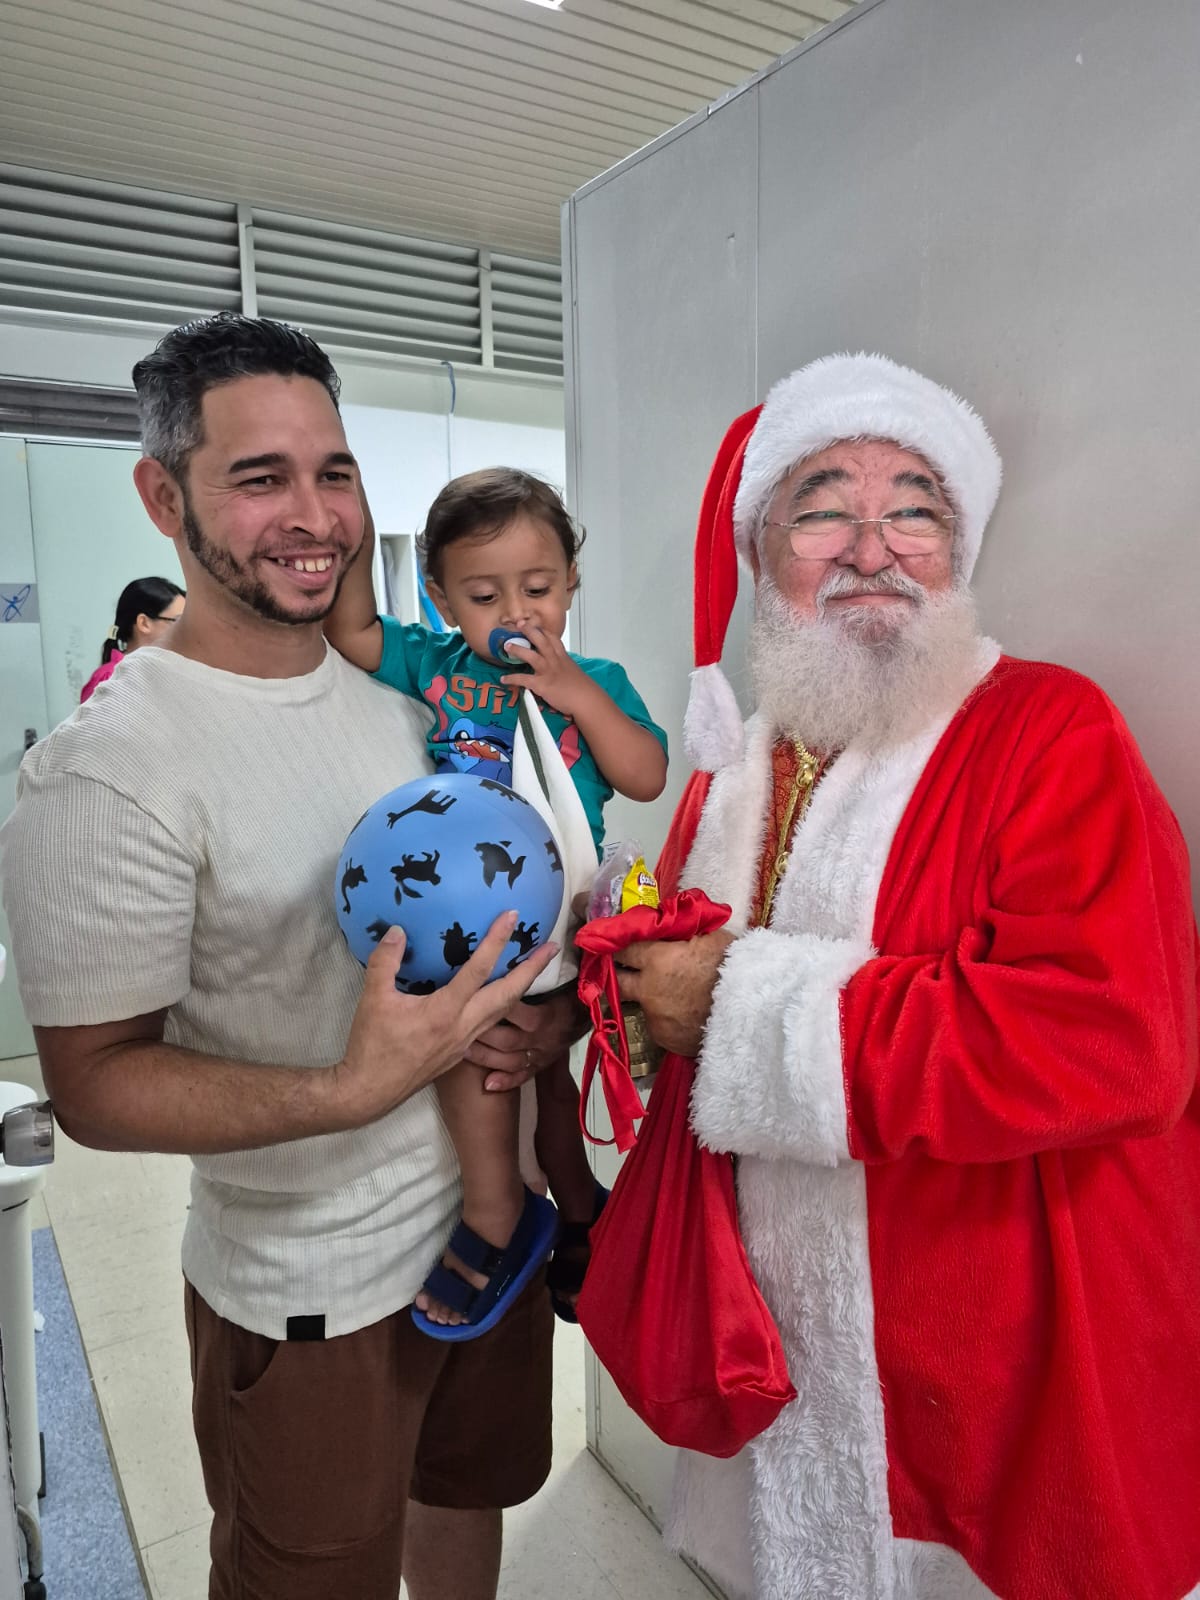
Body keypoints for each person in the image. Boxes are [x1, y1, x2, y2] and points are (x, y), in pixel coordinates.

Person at [0, 311, 583, 1600]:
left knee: (464, 1507)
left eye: (333, 470)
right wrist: (346, 1089)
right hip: (310, 1292)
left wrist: (541, 1021)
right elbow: (95, 1088)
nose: (313, 514)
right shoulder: (105, 771)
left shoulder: (408, 703)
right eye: (259, 478)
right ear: (163, 496)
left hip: (484, 1230)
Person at [615, 353, 1200, 1600]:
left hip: (1005, 1378)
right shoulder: (734, 768)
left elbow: (1116, 1041)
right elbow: (680, 999)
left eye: (917, 508)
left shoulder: (1053, 730)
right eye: (824, 506)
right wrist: (623, 1001)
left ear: (958, 550)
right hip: (781, 1352)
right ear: (761, 551)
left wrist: (725, 1004)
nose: (873, 546)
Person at [325, 468, 667, 1332]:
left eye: (539, 588)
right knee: (479, 1060)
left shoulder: (595, 676)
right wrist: (355, 532)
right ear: (442, 598)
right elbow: (355, 630)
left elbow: (646, 772)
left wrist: (575, 694)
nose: (516, 612)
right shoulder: (436, 665)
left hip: (564, 912)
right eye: (483, 594)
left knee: (555, 1091)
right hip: (478, 919)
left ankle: (578, 1206)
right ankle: (500, 1211)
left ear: (571, 584)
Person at [79, 574, 185, 701]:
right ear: (144, 623)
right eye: (178, 620)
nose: (185, 629)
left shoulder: (167, 673)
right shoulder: (110, 679)